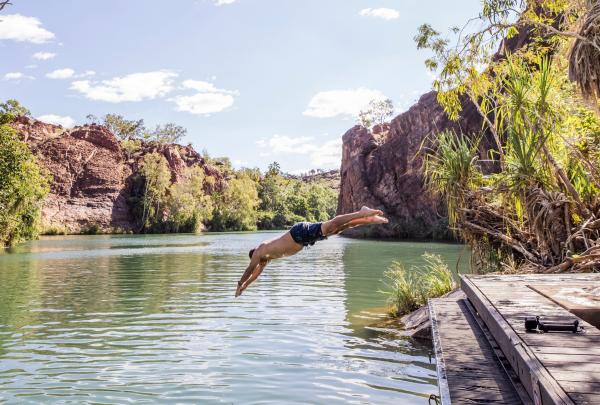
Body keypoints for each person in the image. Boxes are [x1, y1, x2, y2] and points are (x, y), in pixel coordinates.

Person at [235, 206, 388, 297]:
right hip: (304, 240)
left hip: (299, 233)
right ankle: (367, 220)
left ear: (254, 255)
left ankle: (362, 212)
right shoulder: (265, 259)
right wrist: (244, 288)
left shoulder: (259, 251)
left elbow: (250, 270)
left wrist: (239, 283)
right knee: (338, 229)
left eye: (257, 262)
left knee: (332, 224)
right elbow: (255, 275)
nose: (259, 265)